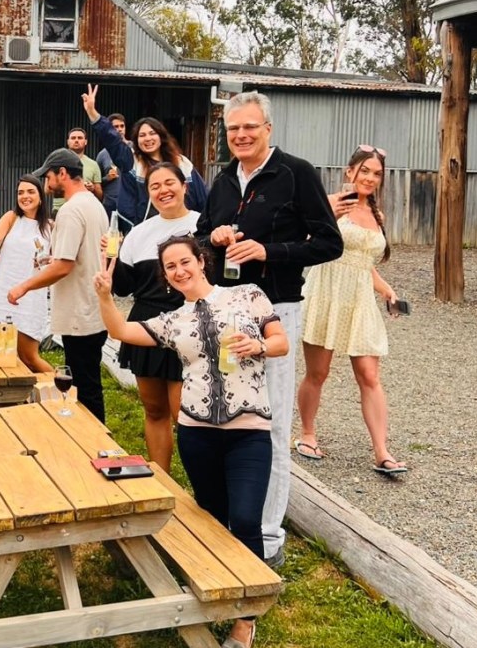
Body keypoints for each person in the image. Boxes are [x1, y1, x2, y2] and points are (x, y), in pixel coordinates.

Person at [95, 235, 288, 648]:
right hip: (197, 432)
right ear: (165, 277)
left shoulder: (248, 296)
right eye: (171, 267)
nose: (180, 271)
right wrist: (105, 296)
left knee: (247, 519)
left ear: (201, 261)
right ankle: (218, 586)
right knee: (213, 518)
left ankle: (245, 617)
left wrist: (259, 345)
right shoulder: (172, 320)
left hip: (249, 431)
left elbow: (281, 342)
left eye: (185, 262)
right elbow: (120, 330)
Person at [195, 90, 343, 569]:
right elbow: (201, 235)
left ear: (268, 129)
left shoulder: (295, 173)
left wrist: (268, 252)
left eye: (249, 127)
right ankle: (229, 517)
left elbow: (328, 242)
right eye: (233, 128)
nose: (240, 135)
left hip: (276, 307)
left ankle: (267, 532)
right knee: (224, 412)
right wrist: (213, 238)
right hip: (225, 308)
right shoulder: (222, 181)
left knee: (272, 421)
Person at [296, 145, 407, 474]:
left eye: (377, 174)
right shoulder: (329, 204)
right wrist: (325, 214)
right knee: (318, 373)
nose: (370, 178)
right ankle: (307, 433)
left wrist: (387, 290)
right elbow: (302, 241)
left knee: (370, 375)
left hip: (360, 299)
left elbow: (364, 263)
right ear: (349, 172)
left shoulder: (377, 216)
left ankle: (382, 451)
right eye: (365, 171)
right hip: (325, 291)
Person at [109, 163, 200, 472]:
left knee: (186, 415)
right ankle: (161, 477)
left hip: (190, 326)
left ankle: (200, 486)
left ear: (184, 186)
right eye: (155, 186)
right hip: (146, 326)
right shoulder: (139, 233)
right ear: (149, 194)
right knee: (154, 409)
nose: (163, 190)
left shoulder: (204, 226)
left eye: (169, 183)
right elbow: (123, 287)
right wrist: (111, 256)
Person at [8, 148, 109, 422]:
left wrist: (24, 287)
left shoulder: (69, 210)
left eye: (49, 177)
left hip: (79, 311)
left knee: (85, 390)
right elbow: (81, 255)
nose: (47, 183)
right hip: (95, 309)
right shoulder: (93, 204)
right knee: (89, 382)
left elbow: (63, 266)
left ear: (62, 173)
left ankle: (95, 445)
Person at [82, 84, 207, 228]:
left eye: (152, 133)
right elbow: (112, 140)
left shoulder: (182, 163)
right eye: (142, 135)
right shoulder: (131, 160)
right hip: (142, 230)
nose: (148, 139)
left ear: (161, 136)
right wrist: (93, 113)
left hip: (181, 230)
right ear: (136, 141)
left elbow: (202, 197)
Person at [0, 174, 53, 373]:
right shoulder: (12, 218)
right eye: (20, 192)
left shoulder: (50, 227)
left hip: (30, 298)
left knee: (29, 358)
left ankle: (62, 391)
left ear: (40, 196)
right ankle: (17, 400)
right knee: (2, 356)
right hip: (3, 293)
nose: (25, 196)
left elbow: (59, 260)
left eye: (30, 192)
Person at [52, 126, 103, 210]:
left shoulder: (93, 165)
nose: (76, 140)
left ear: (85, 142)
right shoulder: (56, 161)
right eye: (73, 138)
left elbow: (100, 195)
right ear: (68, 141)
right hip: (60, 209)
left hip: (85, 210)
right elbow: (47, 190)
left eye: (80, 138)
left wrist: (92, 188)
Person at [96, 113, 128, 216]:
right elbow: (97, 182)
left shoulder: (135, 149)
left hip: (131, 202)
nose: (119, 129)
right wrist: (107, 178)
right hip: (110, 204)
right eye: (116, 126)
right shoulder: (102, 155)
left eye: (122, 126)